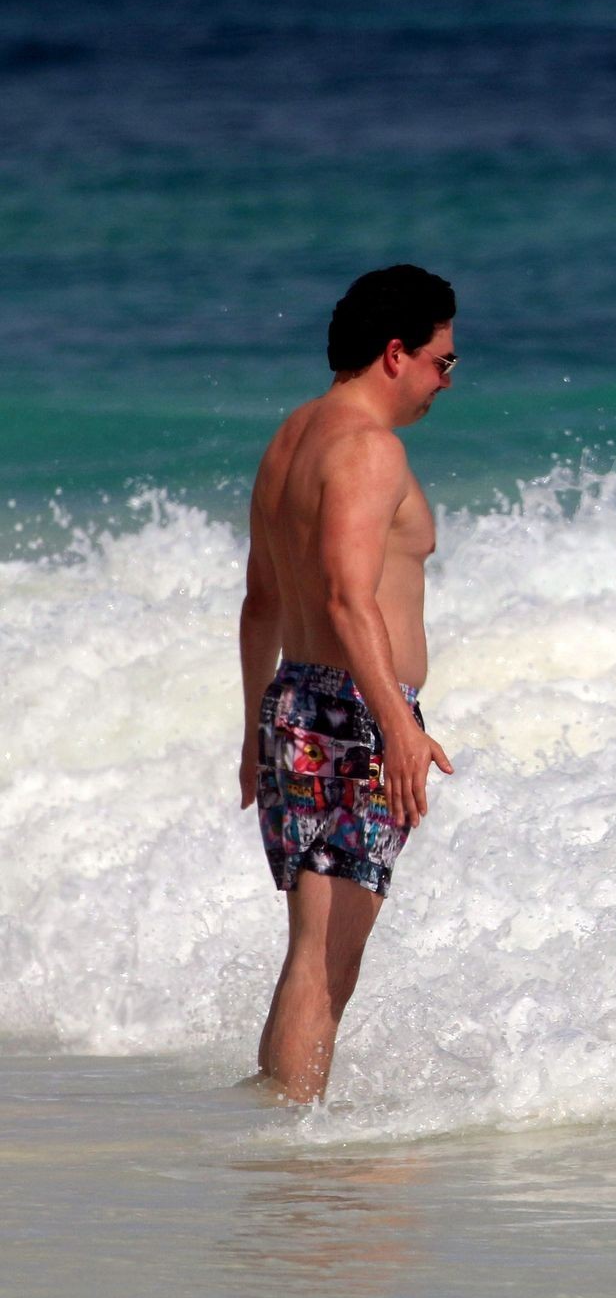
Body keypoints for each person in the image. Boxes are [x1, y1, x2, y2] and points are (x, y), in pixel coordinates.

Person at [238, 264, 458, 1101]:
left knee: (312, 953)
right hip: (354, 712)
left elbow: (262, 602)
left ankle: (278, 1129)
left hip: (295, 699)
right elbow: (345, 596)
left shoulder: (292, 437)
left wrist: (253, 732)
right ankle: (297, 1146)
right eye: (442, 361)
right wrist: (398, 725)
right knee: (328, 963)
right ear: (396, 353)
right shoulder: (370, 448)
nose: (446, 381)